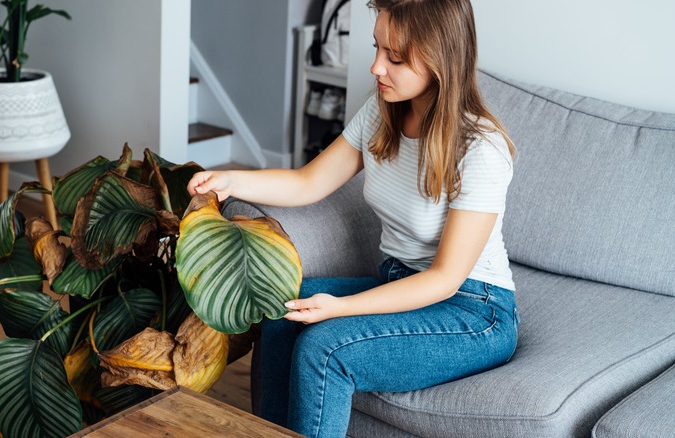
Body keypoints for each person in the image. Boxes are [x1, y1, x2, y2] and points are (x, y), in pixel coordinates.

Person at [187, 0, 519, 436]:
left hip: (475, 312)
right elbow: (308, 182)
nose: (376, 67)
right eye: (377, 48)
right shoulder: (382, 114)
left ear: (441, 59)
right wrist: (230, 181)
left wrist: (341, 308)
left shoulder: (480, 149)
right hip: (400, 282)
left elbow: (444, 279)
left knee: (325, 348)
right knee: (284, 306)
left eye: (395, 58)